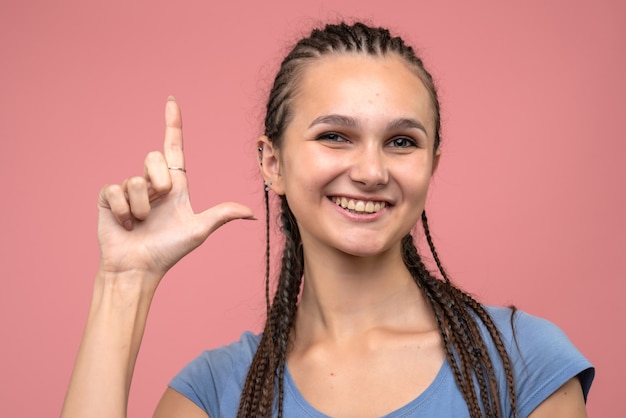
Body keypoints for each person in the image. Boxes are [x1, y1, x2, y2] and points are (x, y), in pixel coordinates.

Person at [61, 22, 594, 418]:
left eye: (401, 142)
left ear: (432, 164)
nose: (370, 170)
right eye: (334, 136)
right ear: (272, 163)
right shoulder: (214, 394)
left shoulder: (522, 363)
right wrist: (124, 282)